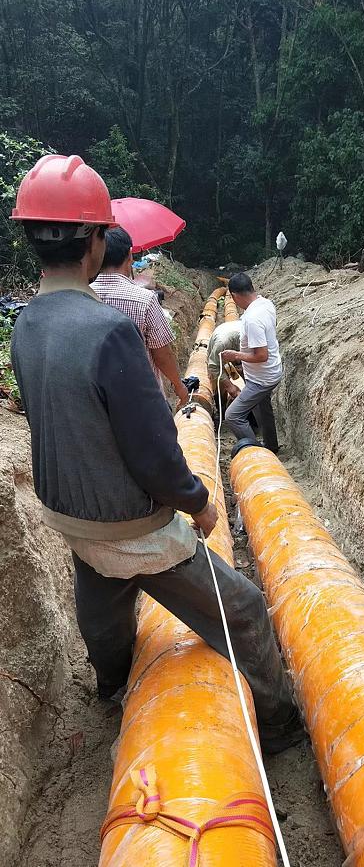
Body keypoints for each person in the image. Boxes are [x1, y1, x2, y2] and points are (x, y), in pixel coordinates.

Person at [10, 154, 302, 753]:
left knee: (104, 620)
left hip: (71, 521)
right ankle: (279, 726)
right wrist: (197, 502)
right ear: (95, 238)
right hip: (130, 524)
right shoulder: (108, 331)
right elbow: (151, 453)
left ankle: (111, 684)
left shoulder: (25, 325)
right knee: (244, 611)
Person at [91, 226, 188, 405]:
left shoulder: (83, 295)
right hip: (141, 400)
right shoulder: (144, 300)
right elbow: (162, 355)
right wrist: (178, 385)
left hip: (97, 399)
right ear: (129, 255)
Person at [223, 273, 282, 453]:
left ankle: (255, 452)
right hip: (270, 370)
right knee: (262, 410)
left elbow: (261, 355)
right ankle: (271, 446)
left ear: (234, 296)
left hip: (261, 378)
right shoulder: (265, 303)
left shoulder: (252, 319)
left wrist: (236, 355)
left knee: (232, 415)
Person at [207, 319, 242, 402]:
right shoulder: (221, 343)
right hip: (218, 355)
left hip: (233, 344)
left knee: (239, 371)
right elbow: (214, 366)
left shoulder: (253, 335)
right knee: (220, 382)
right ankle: (221, 404)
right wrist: (230, 386)